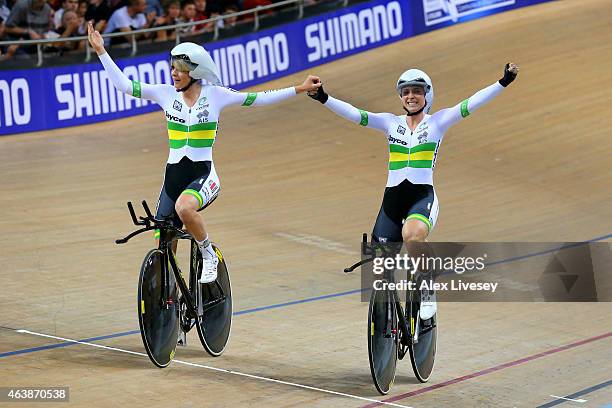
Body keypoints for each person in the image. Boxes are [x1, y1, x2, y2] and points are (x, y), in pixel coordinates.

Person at [87, 22, 321, 283]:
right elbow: (124, 86)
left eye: (180, 69)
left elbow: (259, 98)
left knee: (185, 208)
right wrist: (101, 51)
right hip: (172, 179)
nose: (173, 73)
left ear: (195, 72)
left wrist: (300, 88)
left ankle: (208, 254)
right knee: (163, 241)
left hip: (203, 175)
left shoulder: (216, 96)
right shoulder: (164, 94)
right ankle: (172, 296)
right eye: (173, 67)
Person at [308, 64, 518, 315]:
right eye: (406, 91)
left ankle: (427, 286)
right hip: (392, 202)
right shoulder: (389, 122)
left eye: (417, 91)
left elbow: (470, 103)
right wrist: (324, 98)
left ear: (427, 95)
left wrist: (502, 82)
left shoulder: (439, 121)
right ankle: (390, 327)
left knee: (412, 235)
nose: (411, 96)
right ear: (400, 97)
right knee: (379, 269)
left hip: (421, 197)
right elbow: (355, 114)